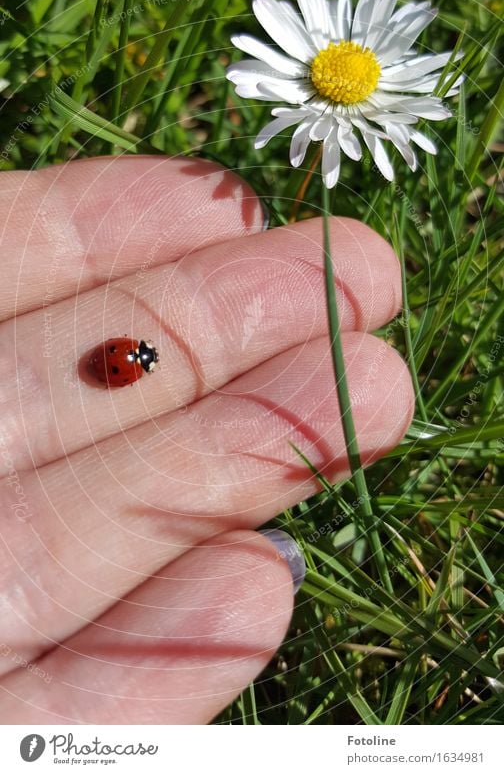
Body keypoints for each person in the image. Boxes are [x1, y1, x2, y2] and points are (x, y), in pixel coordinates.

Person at [0, 155, 414, 723]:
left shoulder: (127, 355)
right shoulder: (125, 356)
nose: (137, 359)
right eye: (139, 358)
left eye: (136, 359)